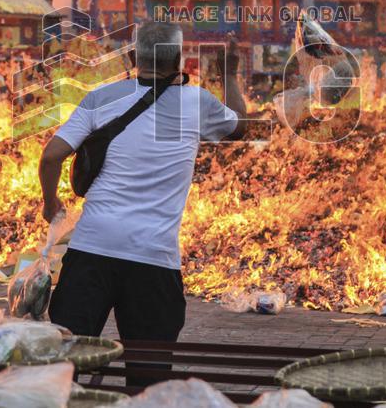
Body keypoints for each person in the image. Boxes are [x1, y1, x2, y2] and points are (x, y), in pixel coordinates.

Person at [38, 22, 247, 386]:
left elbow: (51, 156)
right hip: (153, 259)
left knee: (64, 368)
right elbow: (243, 126)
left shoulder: (101, 98)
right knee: (148, 379)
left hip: (91, 251)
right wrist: (230, 72)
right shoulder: (197, 103)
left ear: (134, 57)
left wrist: (50, 201)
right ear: (179, 59)